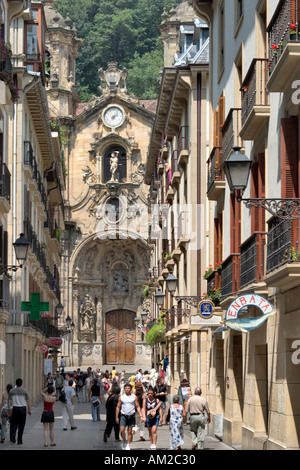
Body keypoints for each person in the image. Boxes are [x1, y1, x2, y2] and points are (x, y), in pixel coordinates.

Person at [115, 383, 144, 451]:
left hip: (131, 416)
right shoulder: (121, 397)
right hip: (123, 416)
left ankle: (128, 444)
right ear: (124, 389)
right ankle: (124, 441)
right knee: (122, 430)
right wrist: (116, 417)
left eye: (128, 388)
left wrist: (141, 415)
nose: (127, 390)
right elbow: (118, 407)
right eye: (126, 388)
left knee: (130, 431)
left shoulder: (134, 397)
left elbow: (138, 406)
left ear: (131, 389)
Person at [8, 378, 31, 445]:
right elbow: (28, 401)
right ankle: (19, 440)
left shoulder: (11, 391)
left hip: (15, 408)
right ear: (21, 383)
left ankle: (13, 433)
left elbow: (9, 401)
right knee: (21, 425)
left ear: (16, 383)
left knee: (14, 423)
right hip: (22, 409)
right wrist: (29, 409)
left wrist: (9, 409)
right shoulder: (25, 391)